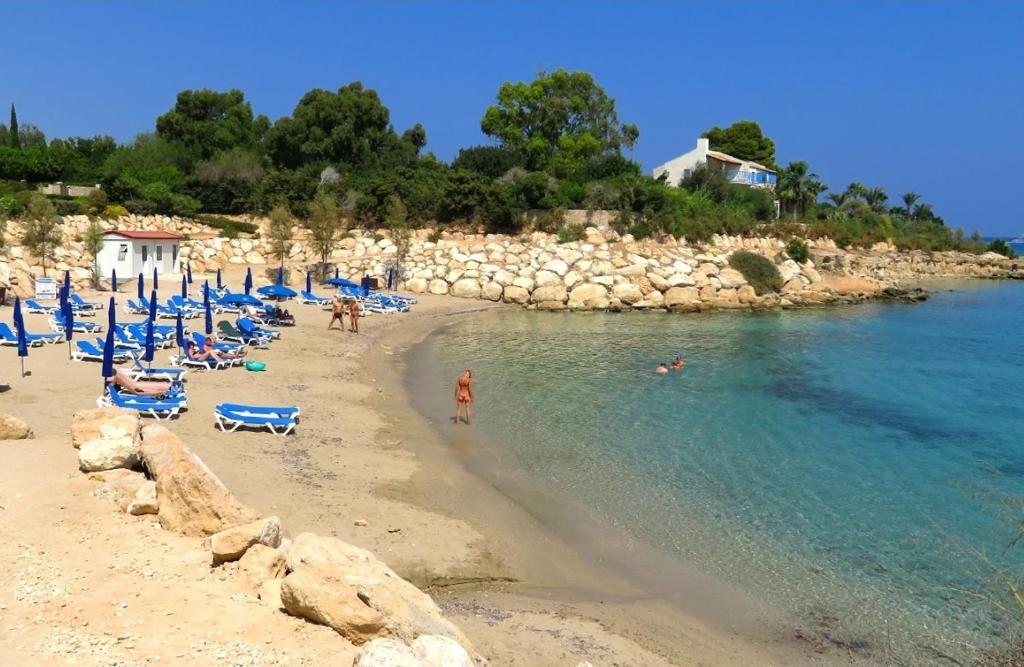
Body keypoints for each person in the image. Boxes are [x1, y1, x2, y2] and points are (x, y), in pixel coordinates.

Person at [108, 368, 172, 397]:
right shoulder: (115, 371)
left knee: (141, 386)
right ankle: (167, 387)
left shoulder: (115, 373)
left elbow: (137, 391)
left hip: (134, 386)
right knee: (140, 387)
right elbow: (137, 391)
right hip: (134, 386)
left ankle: (167, 387)